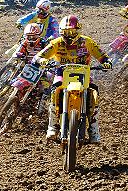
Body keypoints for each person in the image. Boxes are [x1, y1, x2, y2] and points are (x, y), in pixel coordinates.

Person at [34, 15, 112, 143]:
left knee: (94, 95)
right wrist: (42, 60)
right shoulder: (56, 43)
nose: (68, 35)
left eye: (71, 32)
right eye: (65, 32)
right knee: (54, 92)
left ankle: (93, 129)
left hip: (84, 74)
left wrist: (106, 62)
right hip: (62, 73)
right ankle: (53, 126)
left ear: (78, 30)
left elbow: (102, 55)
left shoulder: (87, 42)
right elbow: (38, 56)